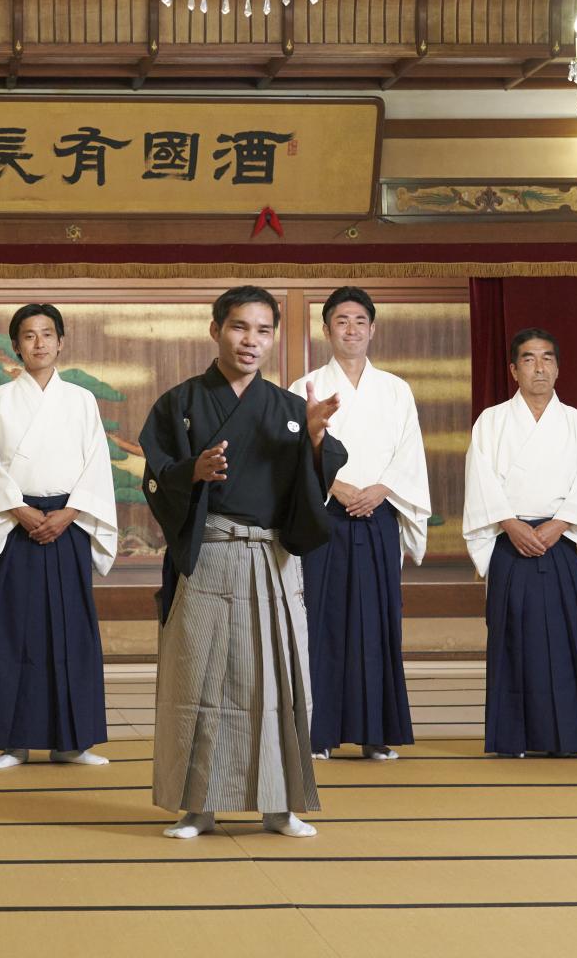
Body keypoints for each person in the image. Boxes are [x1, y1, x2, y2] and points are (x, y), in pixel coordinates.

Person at [137, 285, 344, 840]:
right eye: (239, 327)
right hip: (208, 553)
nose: (250, 340)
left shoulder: (290, 409)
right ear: (215, 330)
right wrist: (192, 474)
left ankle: (282, 805)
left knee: (279, 680)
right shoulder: (179, 404)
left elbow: (313, 484)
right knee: (198, 679)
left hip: (271, 556)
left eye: (262, 330)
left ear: (273, 336)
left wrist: (319, 441)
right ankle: (197, 805)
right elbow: (156, 476)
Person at [0, 303, 119, 770]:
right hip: (18, 524)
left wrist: (70, 512)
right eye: (29, 336)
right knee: (13, 631)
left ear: (60, 341)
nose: (39, 343)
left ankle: (74, 741)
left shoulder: (80, 400)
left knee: (72, 632)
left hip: (69, 523)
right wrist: (18, 510)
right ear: (16, 345)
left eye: (47, 334)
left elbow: (96, 463)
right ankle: (12, 741)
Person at [289, 286, 429, 762]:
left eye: (359, 321)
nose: (350, 329)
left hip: (378, 514)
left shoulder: (395, 389)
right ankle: (318, 732)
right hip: (325, 514)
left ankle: (376, 731)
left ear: (373, 328)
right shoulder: (303, 386)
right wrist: (337, 487)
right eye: (341, 321)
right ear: (326, 330)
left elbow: (409, 453)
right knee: (320, 619)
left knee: (377, 620)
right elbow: (293, 455)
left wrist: (382, 490)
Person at [463, 327, 577, 758]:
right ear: (513, 369)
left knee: (565, 637)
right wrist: (510, 524)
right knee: (512, 637)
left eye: (547, 358)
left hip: (560, 542)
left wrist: (559, 524)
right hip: (511, 542)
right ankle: (514, 738)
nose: (539, 367)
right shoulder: (491, 422)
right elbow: (481, 480)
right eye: (529, 359)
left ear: (558, 367)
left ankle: (568, 736)